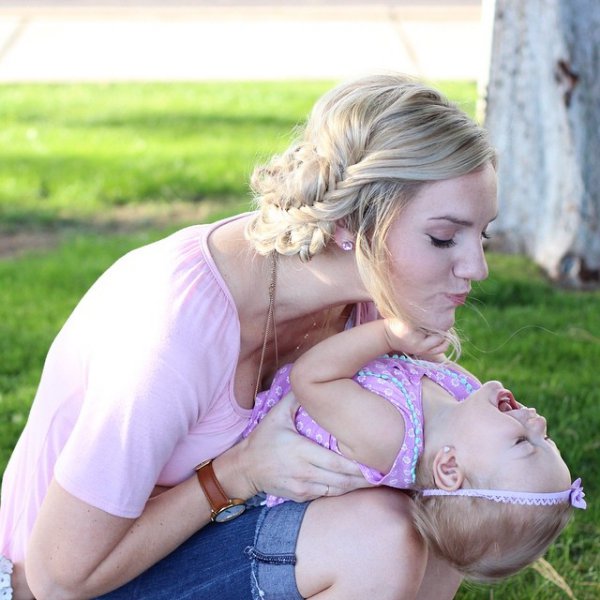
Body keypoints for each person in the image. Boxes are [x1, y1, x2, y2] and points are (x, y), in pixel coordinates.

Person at [0, 72, 501, 599]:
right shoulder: (173, 331)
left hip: (191, 545)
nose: (477, 267)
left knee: (438, 503)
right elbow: (58, 577)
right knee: (376, 538)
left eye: (481, 234)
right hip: (50, 582)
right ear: (349, 223)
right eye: (444, 237)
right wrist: (239, 472)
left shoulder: (368, 301)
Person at [243, 317, 586, 582]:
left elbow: (311, 378)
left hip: (255, 450)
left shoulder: (391, 435)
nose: (539, 423)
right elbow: (422, 357)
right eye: (547, 439)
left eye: (523, 442)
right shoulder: (464, 393)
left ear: (450, 468)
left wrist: (388, 334)